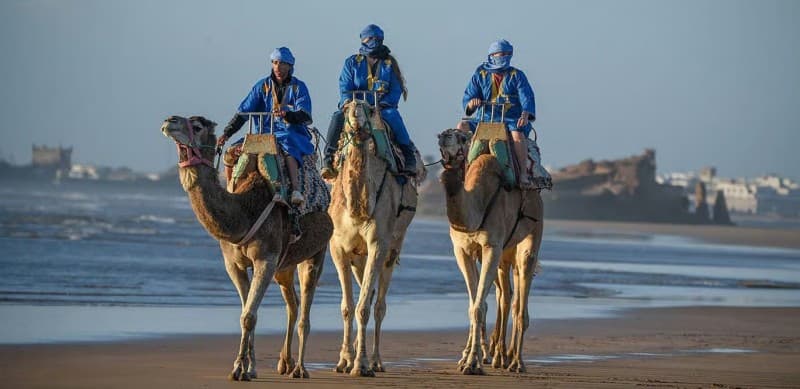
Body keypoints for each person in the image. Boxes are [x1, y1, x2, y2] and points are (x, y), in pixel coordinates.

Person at [217, 47, 314, 205]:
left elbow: (305, 114)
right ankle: (230, 188)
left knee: (289, 148)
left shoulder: (298, 87)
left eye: (282, 64)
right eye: (275, 63)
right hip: (263, 133)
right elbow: (243, 112)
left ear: (289, 66)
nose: (278, 67)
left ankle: (295, 189)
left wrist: (287, 115)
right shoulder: (262, 86)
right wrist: (226, 134)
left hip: (288, 133)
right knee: (231, 152)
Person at [321, 24, 417, 179]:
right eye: (370, 38)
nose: (374, 41)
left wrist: (384, 103)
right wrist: (348, 102)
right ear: (363, 40)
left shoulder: (388, 64)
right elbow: (345, 86)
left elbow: (395, 89)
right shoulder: (352, 63)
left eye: (377, 38)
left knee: (393, 116)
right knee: (337, 116)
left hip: (381, 108)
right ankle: (328, 158)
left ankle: (408, 156)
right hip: (356, 107)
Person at [457, 39, 538, 188]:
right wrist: (471, 103)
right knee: (461, 126)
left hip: (510, 120)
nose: (505, 57)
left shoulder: (517, 75)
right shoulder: (480, 74)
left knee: (517, 135)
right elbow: (469, 96)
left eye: (508, 54)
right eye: (502, 54)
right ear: (492, 55)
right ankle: (461, 168)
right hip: (484, 120)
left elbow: (527, 96)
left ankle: (523, 175)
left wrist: (526, 113)